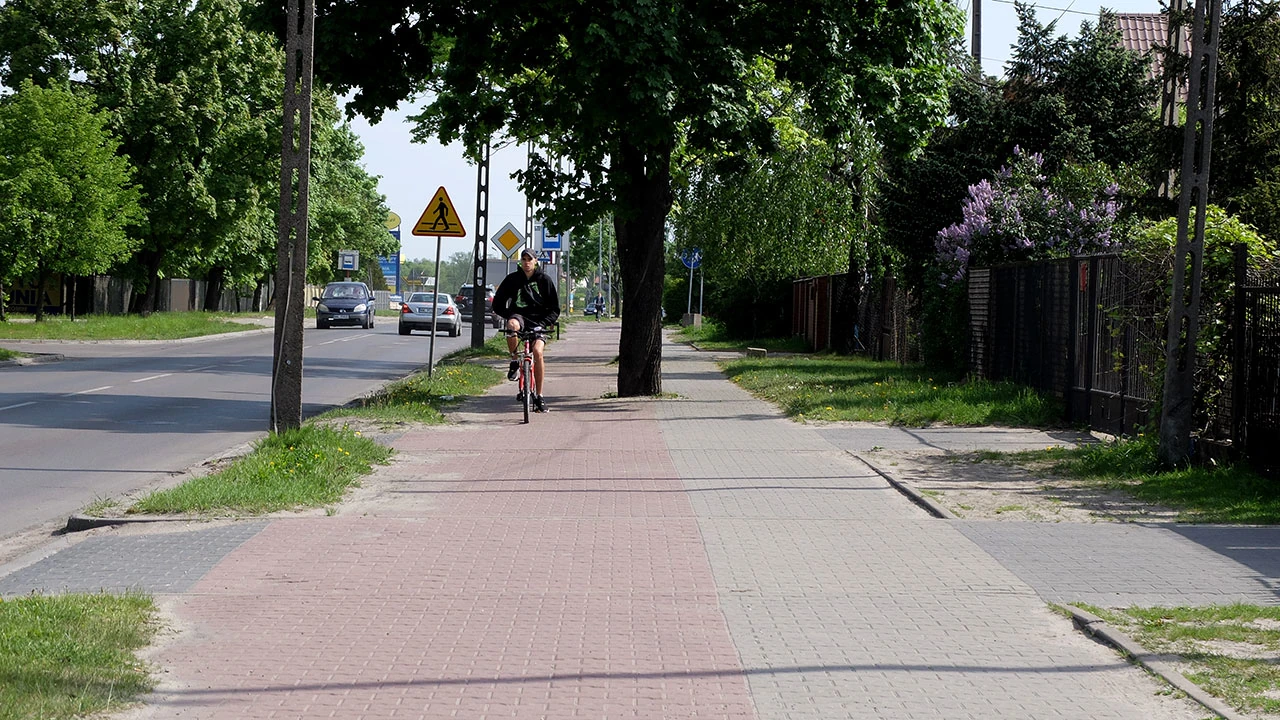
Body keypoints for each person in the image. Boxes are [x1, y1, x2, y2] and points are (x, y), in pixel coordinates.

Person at [492, 248, 560, 412]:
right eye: (524, 259)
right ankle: (515, 361)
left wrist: (544, 323)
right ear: (521, 262)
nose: (527, 262)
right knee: (512, 325)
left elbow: (554, 308)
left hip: (539, 322)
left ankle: (539, 396)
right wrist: (510, 314)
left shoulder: (545, 280)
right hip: (519, 317)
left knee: (537, 352)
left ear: (536, 261)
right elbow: (497, 304)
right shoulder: (512, 279)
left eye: (530, 259)